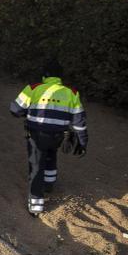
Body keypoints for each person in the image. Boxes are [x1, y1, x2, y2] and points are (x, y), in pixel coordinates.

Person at [9, 59, 88, 216]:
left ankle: (36, 207)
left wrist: (27, 112)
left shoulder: (33, 88)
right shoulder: (71, 93)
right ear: (60, 77)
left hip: (36, 135)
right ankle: (49, 184)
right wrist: (82, 141)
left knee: (36, 167)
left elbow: (15, 109)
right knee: (51, 156)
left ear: (44, 75)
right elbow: (79, 121)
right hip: (58, 136)